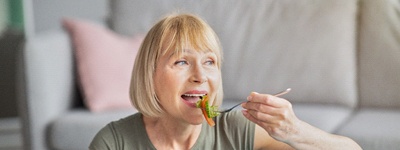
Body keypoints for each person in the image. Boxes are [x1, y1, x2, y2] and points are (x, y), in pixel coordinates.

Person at [89, 13, 361, 150]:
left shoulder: (234, 128)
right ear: (149, 74)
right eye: (181, 62)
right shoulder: (114, 142)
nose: (201, 76)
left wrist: (295, 131)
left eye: (210, 62)